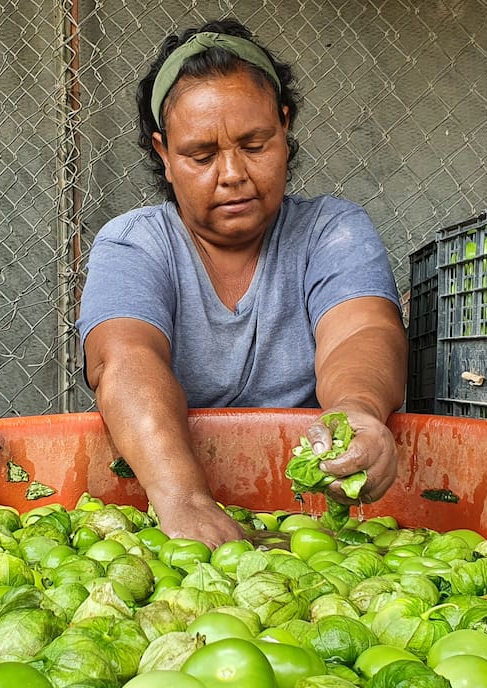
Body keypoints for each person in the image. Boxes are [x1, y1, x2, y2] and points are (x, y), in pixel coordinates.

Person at [75, 18, 408, 547]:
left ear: (285, 125)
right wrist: (184, 502)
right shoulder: (135, 243)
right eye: (202, 156)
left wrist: (358, 413)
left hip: (309, 511)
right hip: (165, 502)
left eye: (254, 145)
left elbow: (360, 331)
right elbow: (125, 360)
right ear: (163, 154)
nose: (232, 173)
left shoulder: (332, 231)